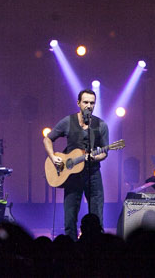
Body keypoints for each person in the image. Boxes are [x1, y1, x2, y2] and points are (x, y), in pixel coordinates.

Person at [43, 89, 109, 240]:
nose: (89, 106)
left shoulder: (101, 125)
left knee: (97, 215)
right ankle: (71, 250)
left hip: (92, 174)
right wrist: (53, 157)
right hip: (71, 176)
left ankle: (96, 248)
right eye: (85, 102)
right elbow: (47, 139)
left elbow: (105, 152)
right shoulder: (68, 121)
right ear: (78, 103)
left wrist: (94, 158)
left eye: (92, 103)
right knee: (70, 216)